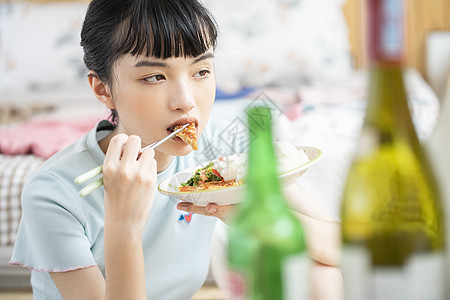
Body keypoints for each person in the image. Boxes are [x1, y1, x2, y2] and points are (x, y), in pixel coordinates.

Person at [10, 0, 342, 299]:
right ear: (103, 89)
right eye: (154, 77)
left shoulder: (220, 147)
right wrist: (124, 225)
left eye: (201, 71)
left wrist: (237, 211)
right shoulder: (54, 192)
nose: (186, 100)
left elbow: (338, 246)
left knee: (322, 276)